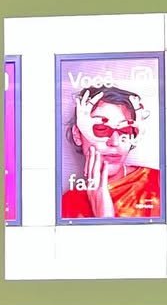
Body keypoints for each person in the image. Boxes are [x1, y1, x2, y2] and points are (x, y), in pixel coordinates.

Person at [61, 85, 161, 220]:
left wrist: (106, 218)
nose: (115, 142)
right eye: (101, 129)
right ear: (77, 135)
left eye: (125, 130)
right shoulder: (67, 204)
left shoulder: (159, 183)